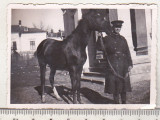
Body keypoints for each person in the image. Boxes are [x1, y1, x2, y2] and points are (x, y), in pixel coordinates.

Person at [102, 20, 133, 104]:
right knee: (115, 86)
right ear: (113, 28)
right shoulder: (107, 39)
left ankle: (124, 103)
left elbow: (127, 52)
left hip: (123, 64)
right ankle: (116, 103)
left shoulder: (123, 39)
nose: (117, 29)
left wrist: (130, 64)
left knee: (124, 86)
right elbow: (99, 47)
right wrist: (99, 38)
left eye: (119, 27)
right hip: (113, 65)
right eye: (116, 27)